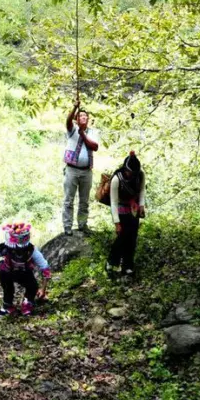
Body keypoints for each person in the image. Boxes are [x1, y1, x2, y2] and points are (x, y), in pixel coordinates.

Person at [0, 223, 52, 316]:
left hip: (23, 272)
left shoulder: (32, 250)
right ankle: (6, 307)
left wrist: (43, 290)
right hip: (6, 271)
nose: (18, 252)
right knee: (8, 289)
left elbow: (45, 268)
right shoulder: (6, 249)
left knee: (32, 287)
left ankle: (27, 304)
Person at [63, 99, 99, 235]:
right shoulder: (72, 130)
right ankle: (67, 227)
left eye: (86, 116)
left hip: (86, 171)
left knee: (84, 201)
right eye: (81, 116)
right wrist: (74, 108)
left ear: (88, 119)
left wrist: (83, 133)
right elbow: (67, 121)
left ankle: (82, 225)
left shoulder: (93, 132)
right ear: (76, 119)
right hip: (71, 169)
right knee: (68, 200)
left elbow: (94, 147)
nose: (84, 117)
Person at [107, 151, 146, 277]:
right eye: (130, 172)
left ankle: (128, 265)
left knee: (132, 238)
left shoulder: (140, 175)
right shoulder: (116, 179)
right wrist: (117, 222)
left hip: (133, 209)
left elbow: (142, 190)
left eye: (134, 173)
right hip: (120, 209)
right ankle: (112, 262)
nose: (132, 175)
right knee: (122, 237)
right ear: (125, 169)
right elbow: (113, 202)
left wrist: (141, 205)